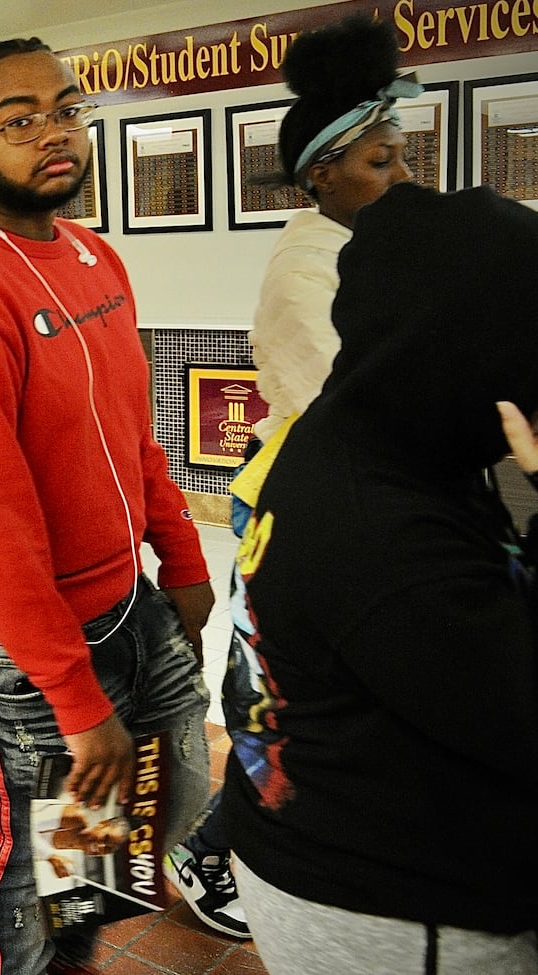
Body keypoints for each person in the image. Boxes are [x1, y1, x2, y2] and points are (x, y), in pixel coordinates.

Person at [0, 39, 213, 975]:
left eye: (65, 110)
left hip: (122, 602)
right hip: (9, 642)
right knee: (26, 870)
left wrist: (178, 559)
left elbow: (132, 431)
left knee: (111, 851)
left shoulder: (91, 255)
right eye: (18, 120)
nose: (52, 134)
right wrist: (73, 695)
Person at [221, 183, 538, 974]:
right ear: (459, 342)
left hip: (344, 851)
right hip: (391, 910)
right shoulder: (379, 525)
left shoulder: (379, 429)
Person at [163, 14, 419, 940]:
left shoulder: (375, 249)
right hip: (300, 504)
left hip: (357, 503)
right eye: (382, 162)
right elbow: (356, 408)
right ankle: (207, 856)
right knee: (276, 699)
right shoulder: (305, 273)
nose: (402, 177)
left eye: (400, 157)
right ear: (320, 175)